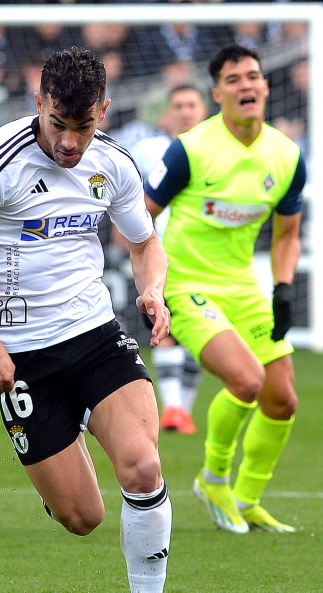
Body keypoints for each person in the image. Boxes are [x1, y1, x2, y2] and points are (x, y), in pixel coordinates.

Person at [0, 48, 173, 593]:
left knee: (142, 468)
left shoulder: (113, 163)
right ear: (39, 102)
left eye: (83, 127)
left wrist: (152, 290)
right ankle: (68, 445)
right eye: (57, 123)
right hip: (20, 355)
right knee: (82, 517)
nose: (69, 141)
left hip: (94, 335)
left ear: (103, 112)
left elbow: (144, 242)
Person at [143, 44, 305, 534]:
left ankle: (247, 496)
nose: (246, 85)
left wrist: (283, 289)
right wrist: (150, 285)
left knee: (282, 400)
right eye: (233, 79)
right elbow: (139, 220)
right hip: (188, 284)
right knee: (247, 381)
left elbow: (289, 234)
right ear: (218, 94)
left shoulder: (287, 155)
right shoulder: (189, 150)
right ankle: (213, 479)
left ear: (266, 86)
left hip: (243, 285)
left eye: (253, 76)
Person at [128, 85, 208, 434]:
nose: (185, 111)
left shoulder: (215, 151)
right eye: (178, 105)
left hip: (204, 255)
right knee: (166, 328)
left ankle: (180, 410)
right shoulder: (147, 151)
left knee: (200, 333)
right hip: (160, 252)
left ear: (204, 109)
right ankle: (174, 408)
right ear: (167, 113)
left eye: (192, 104)